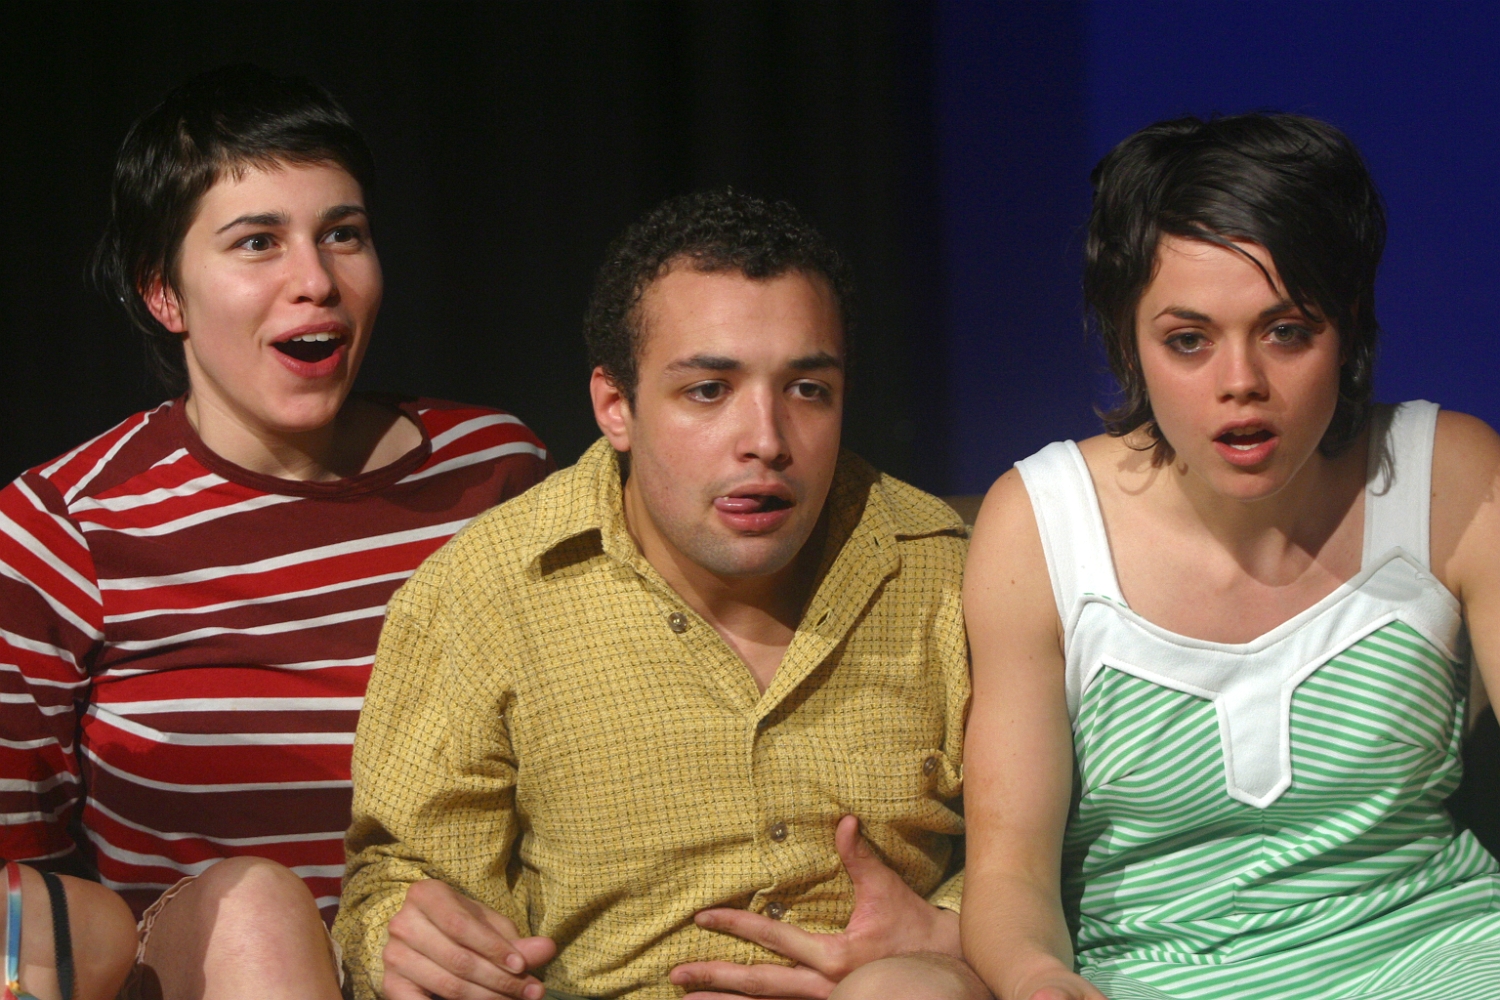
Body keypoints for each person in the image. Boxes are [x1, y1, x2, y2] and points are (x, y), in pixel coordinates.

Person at [335, 189, 992, 1000]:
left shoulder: (949, 575)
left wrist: (949, 929)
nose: (766, 440)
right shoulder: (485, 592)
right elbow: (398, 881)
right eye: (709, 390)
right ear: (616, 406)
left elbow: (1072, 853)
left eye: (807, 390)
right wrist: (406, 937)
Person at [0, 66, 551, 999]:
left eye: (344, 234)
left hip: (472, 975)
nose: (316, 281)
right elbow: (20, 890)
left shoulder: (494, 471)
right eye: (258, 242)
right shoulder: (64, 525)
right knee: (258, 913)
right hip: (198, 968)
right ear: (164, 294)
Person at [960, 113, 1500, 1000]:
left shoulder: (1451, 476)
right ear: (1127, 340)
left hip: (1447, 952)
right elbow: (1008, 872)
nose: (1240, 381)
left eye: (1287, 331)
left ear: (1349, 327)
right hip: (1155, 977)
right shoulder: (1041, 525)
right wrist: (1036, 978)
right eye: (1188, 340)